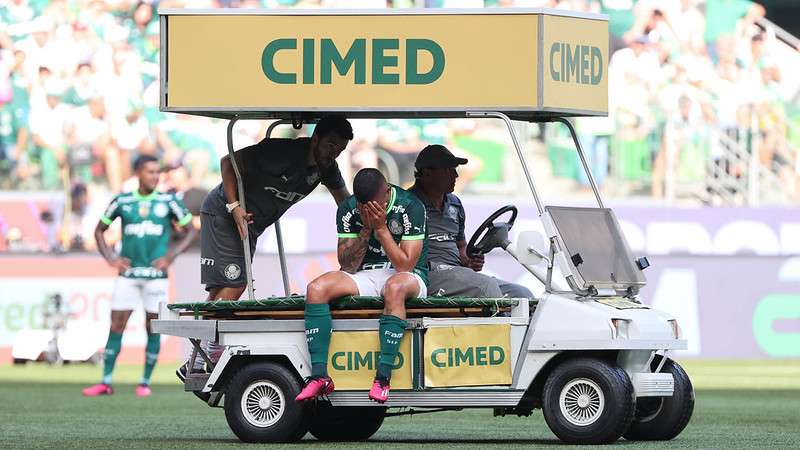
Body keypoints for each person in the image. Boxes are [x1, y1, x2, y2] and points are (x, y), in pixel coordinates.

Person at [186, 116, 353, 375]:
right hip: (225, 214)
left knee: (224, 286)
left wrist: (365, 221)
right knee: (236, 283)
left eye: (340, 149)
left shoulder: (327, 168)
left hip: (250, 225)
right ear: (315, 138)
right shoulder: (281, 152)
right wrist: (235, 207)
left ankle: (198, 357)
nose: (334, 154)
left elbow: (345, 203)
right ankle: (209, 354)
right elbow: (227, 162)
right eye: (330, 145)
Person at [295, 168, 428, 404]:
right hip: (365, 274)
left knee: (394, 287)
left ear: (386, 194)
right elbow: (347, 265)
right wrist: (366, 229)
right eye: (362, 205)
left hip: (409, 275)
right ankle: (319, 377)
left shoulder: (410, 205)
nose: (367, 210)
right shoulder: (348, 209)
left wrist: (381, 228)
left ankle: (383, 379)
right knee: (316, 288)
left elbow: (405, 266)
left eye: (375, 204)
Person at [82, 155, 197, 397]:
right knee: (116, 325)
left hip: (156, 276)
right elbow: (99, 231)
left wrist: (171, 255)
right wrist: (111, 259)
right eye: (150, 172)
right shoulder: (122, 201)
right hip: (129, 276)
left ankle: (144, 382)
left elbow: (190, 230)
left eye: (158, 172)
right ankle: (106, 381)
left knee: (152, 327)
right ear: (138, 174)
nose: (155, 176)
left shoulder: (168, 201)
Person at [409, 145, 532, 299]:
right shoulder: (407, 204)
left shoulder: (455, 204)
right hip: (426, 274)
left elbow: (461, 246)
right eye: (448, 170)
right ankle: (501, 320)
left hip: (457, 273)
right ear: (427, 173)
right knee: (486, 287)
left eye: (455, 169)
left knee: (523, 295)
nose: (455, 175)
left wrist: (469, 261)